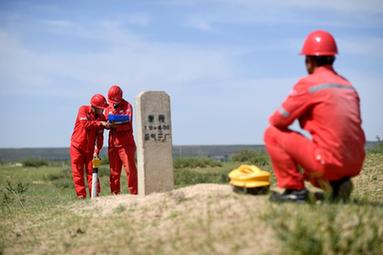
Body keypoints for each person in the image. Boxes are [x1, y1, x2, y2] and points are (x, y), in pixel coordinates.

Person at [264, 30, 365, 202]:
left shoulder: (309, 84)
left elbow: (278, 120)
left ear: (308, 60)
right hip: (355, 163)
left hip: (328, 162)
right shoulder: (347, 86)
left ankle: (295, 191)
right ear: (332, 58)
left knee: (272, 133)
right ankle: (337, 185)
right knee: (318, 158)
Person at [70, 94, 109, 199]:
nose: (103, 111)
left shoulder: (101, 117)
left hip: (90, 149)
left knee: (92, 171)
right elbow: (86, 125)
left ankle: (95, 195)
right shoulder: (83, 110)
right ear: (95, 107)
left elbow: (100, 135)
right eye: (102, 109)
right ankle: (81, 196)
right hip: (77, 147)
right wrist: (101, 123)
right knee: (77, 172)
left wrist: (97, 150)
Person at [105, 85, 138, 195]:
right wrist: (107, 124)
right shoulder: (107, 106)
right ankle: (115, 193)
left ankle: (134, 193)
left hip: (126, 143)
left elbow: (128, 124)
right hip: (112, 143)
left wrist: (117, 125)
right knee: (114, 171)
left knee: (130, 170)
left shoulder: (128, 106)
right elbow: (104, 119)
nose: (113, 103)